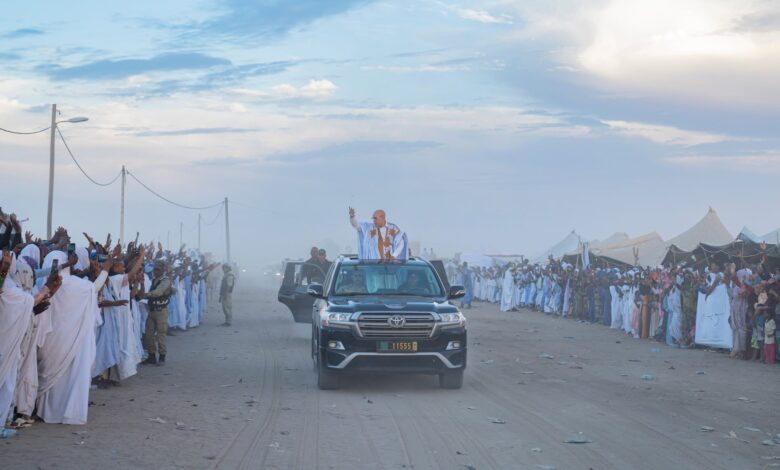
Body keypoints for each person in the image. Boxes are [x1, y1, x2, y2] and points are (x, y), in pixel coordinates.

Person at [142, 261, 171, 365]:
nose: (155, 272)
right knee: (149, 334)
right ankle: (152, 356)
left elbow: (159, 292)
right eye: (155, 270)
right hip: (152, 310)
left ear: (163, 270)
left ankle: (162, 356)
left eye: (158, 270)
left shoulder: (165, 280)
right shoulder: (154, 280)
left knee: (161, 334)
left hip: (161, 311)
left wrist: (146, 295)